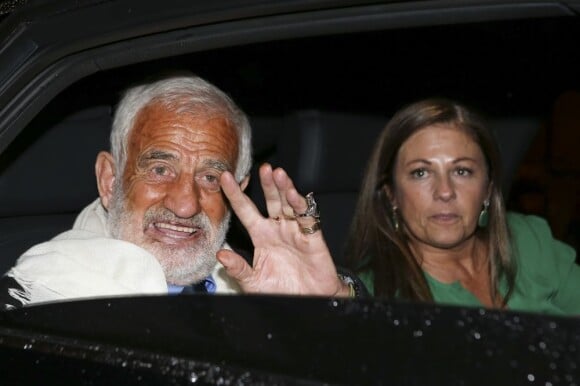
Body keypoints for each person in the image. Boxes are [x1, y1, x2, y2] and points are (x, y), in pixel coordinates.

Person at [1, 73, 356, 309]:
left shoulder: (258, 285)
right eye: (159, 170)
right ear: (111, 180)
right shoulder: (40, 300)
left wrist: (328, 307)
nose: (185, 205)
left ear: (239, 192)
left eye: (210, 178)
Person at [344, 98, 579, 316]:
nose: (445, 191)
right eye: (421, 173)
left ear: (487, 188)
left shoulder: (529, 241)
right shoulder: (377, 291)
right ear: (391, 194)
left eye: (462, 171)